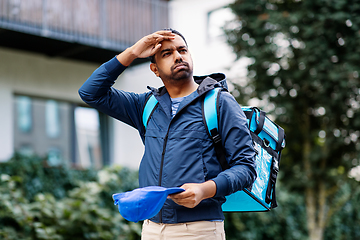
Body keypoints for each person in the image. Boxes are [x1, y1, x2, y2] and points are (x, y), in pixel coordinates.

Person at [79, 29, 256, 240]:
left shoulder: (219, 102)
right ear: (155, 69)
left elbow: (246, 167)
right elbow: (90, 92)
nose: (178, 56)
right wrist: (133, 52)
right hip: (152, 229)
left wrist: (204, 190)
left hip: (200, 229)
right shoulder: (145, 106)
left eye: (182, 50)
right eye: (167, 53)